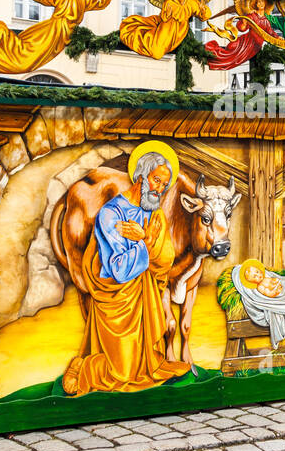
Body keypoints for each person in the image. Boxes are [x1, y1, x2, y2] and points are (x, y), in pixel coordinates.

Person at [62, 144, 191, 396]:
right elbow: (119, 269)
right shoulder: (111, 214)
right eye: (156, 181)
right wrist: (145, 244)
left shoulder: (155, 216)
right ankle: (83, 365)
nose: (159, 189)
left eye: (164, 185)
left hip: (144, 300)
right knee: (119, 375)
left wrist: (147, 242)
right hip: (116, 301)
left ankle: (132, 362)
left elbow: (166, 259)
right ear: (141, 176)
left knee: (139, 373)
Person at [119, 0, 212, 59]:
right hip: (167, 26)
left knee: (158, 51)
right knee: (156, 52)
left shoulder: (192, 1)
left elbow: (204, 17)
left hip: (180, 30)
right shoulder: (169, 1)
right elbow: (163, 17)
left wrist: (203, 10)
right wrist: (167, 14)